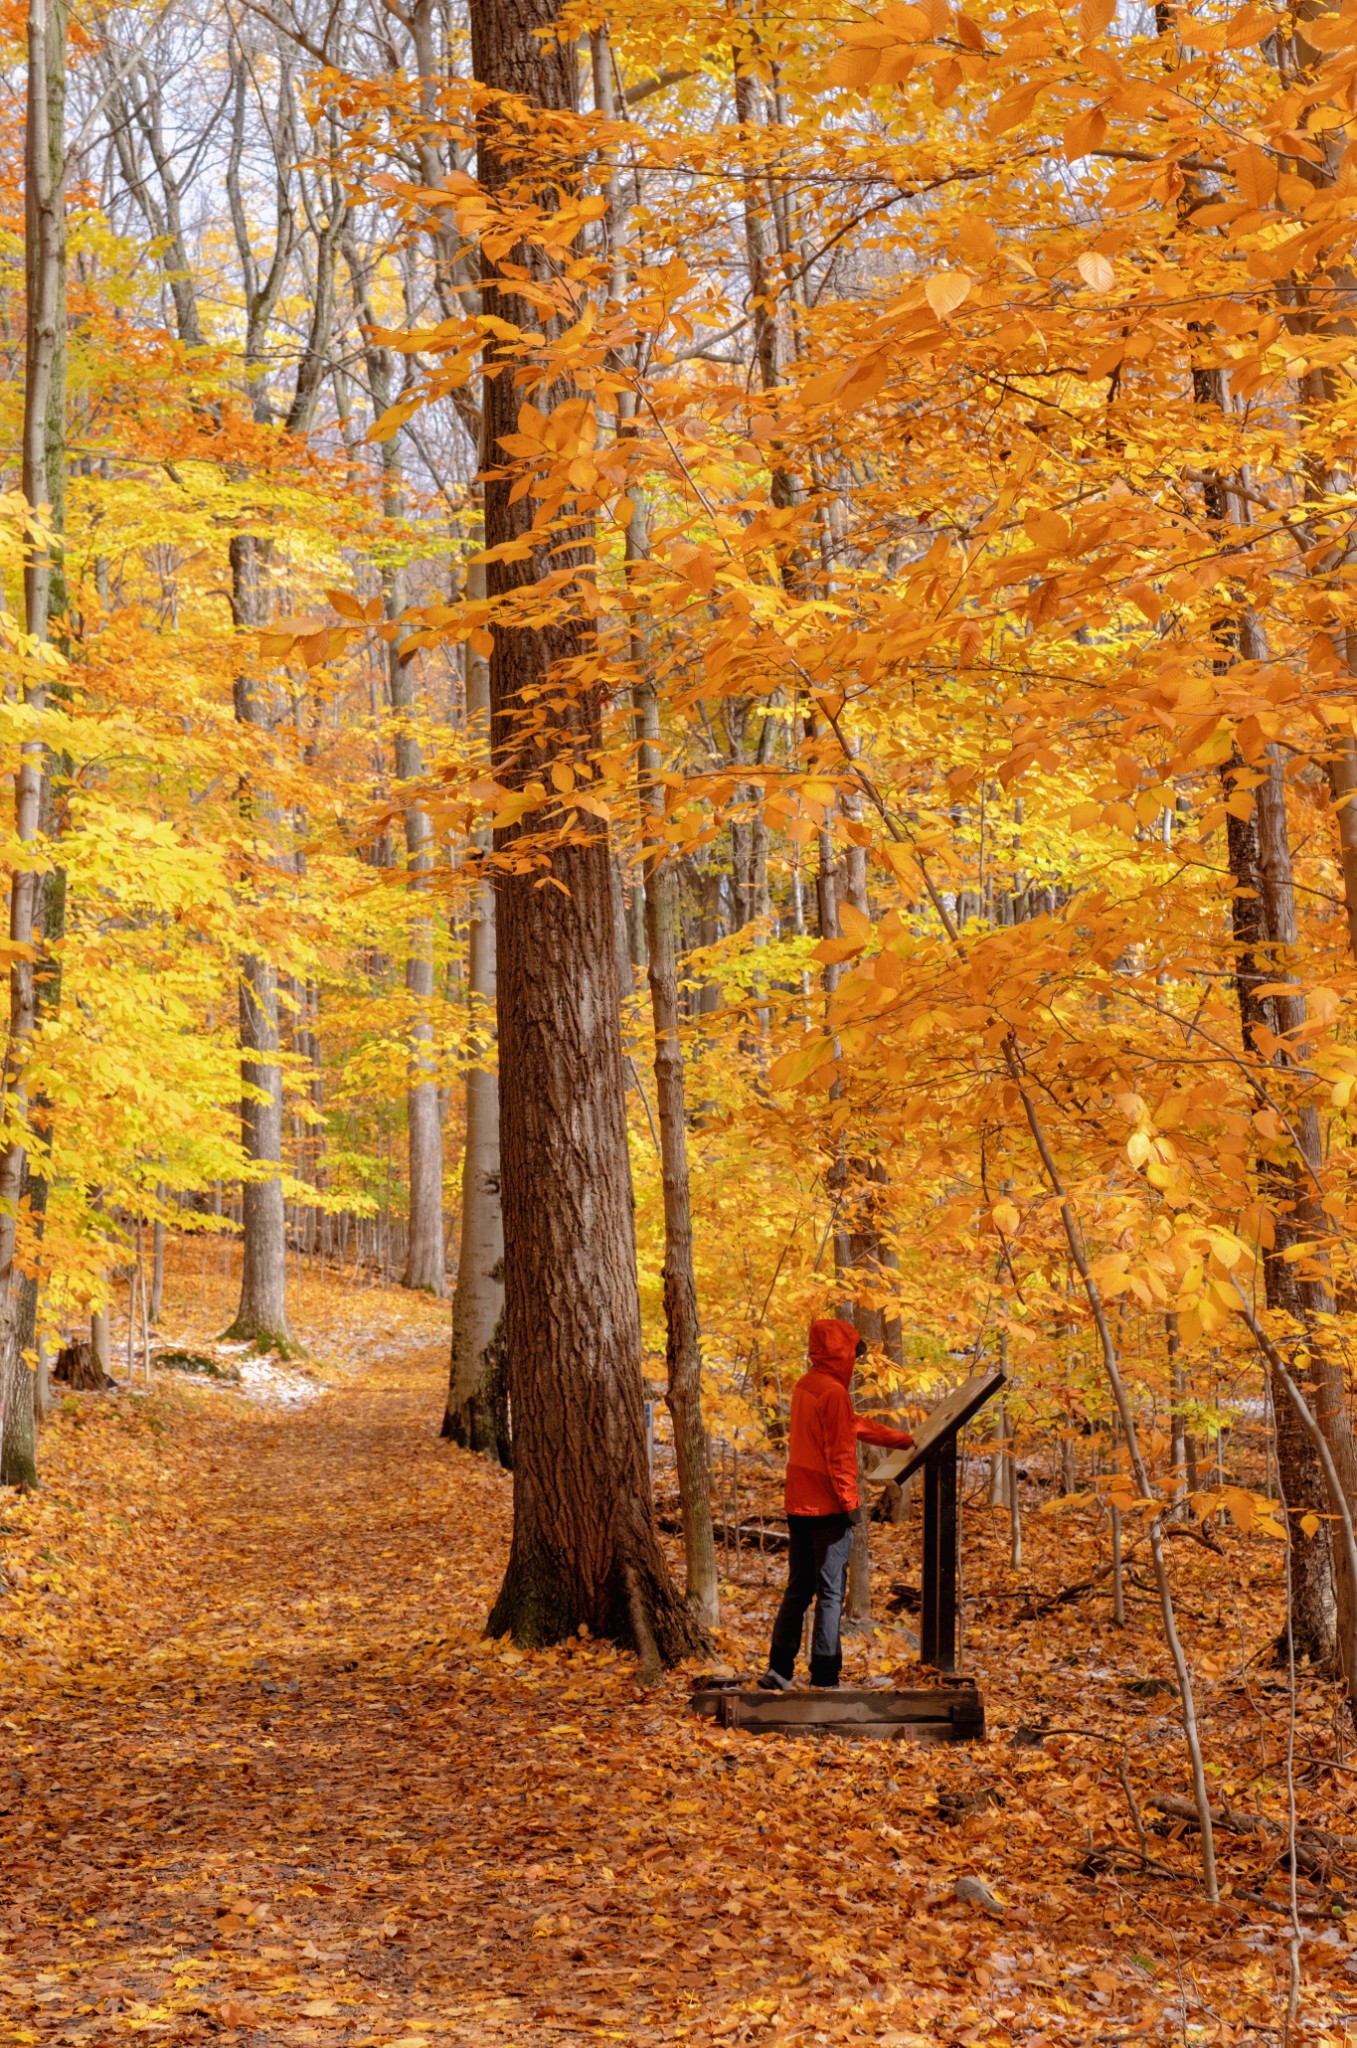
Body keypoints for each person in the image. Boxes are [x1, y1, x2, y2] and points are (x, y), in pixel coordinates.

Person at [760, 1317, 913, 1690]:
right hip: (828, 1508)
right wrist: (851, 1505)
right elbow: (840, 1453)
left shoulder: (807, 1386)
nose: (857, 1363)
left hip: (798, 1504)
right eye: (854, 1355)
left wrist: (902, 1439)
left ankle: (778, 1670)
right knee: (830, 1592)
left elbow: (852, 1426)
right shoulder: (833, 1392)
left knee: (799, 1588)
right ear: (843, 1354)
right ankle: (825, 1676)